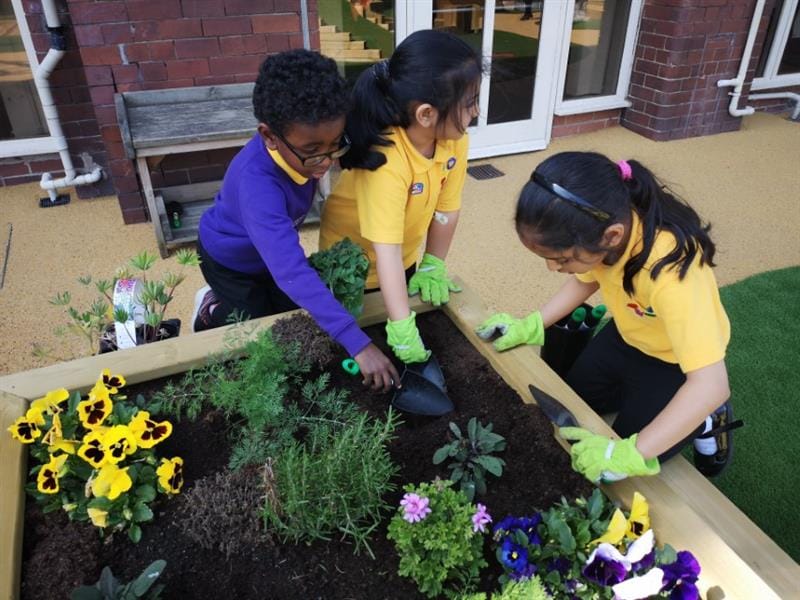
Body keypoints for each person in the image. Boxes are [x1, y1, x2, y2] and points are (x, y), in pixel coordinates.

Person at [476, 151, 737, 482]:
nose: (553, 268)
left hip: (676, 364)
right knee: (574, 407)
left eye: (562, 259)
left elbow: (711, 385)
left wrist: (630, 453)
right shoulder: (603, 228)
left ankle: (707, 421)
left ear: (612, 236)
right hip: (628, 335)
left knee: (628, 444)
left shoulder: (671, 271)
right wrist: (531, 323)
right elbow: (585, 280)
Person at [192, 49, 399, 391]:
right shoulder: (258, 185)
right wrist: (358, 343)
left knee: (292, 314)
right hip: (229, 259)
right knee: (254, 326)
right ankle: (209, 309)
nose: (326, 161)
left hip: (269, 252)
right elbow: (290, 270)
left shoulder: (308, 146)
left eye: (336, 145)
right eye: (314, 150)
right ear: (269, 136)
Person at [319, 30, 482, 367]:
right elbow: (385, 250)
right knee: (355, 347)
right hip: (354, 270)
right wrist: (402, 325)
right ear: (426, 114)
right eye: (469, 104)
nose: (477, 112)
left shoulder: (454, 140)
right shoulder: (388, 160)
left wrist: (433, 264)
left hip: (399, 259)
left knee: (397, 305)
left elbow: (447, 211)